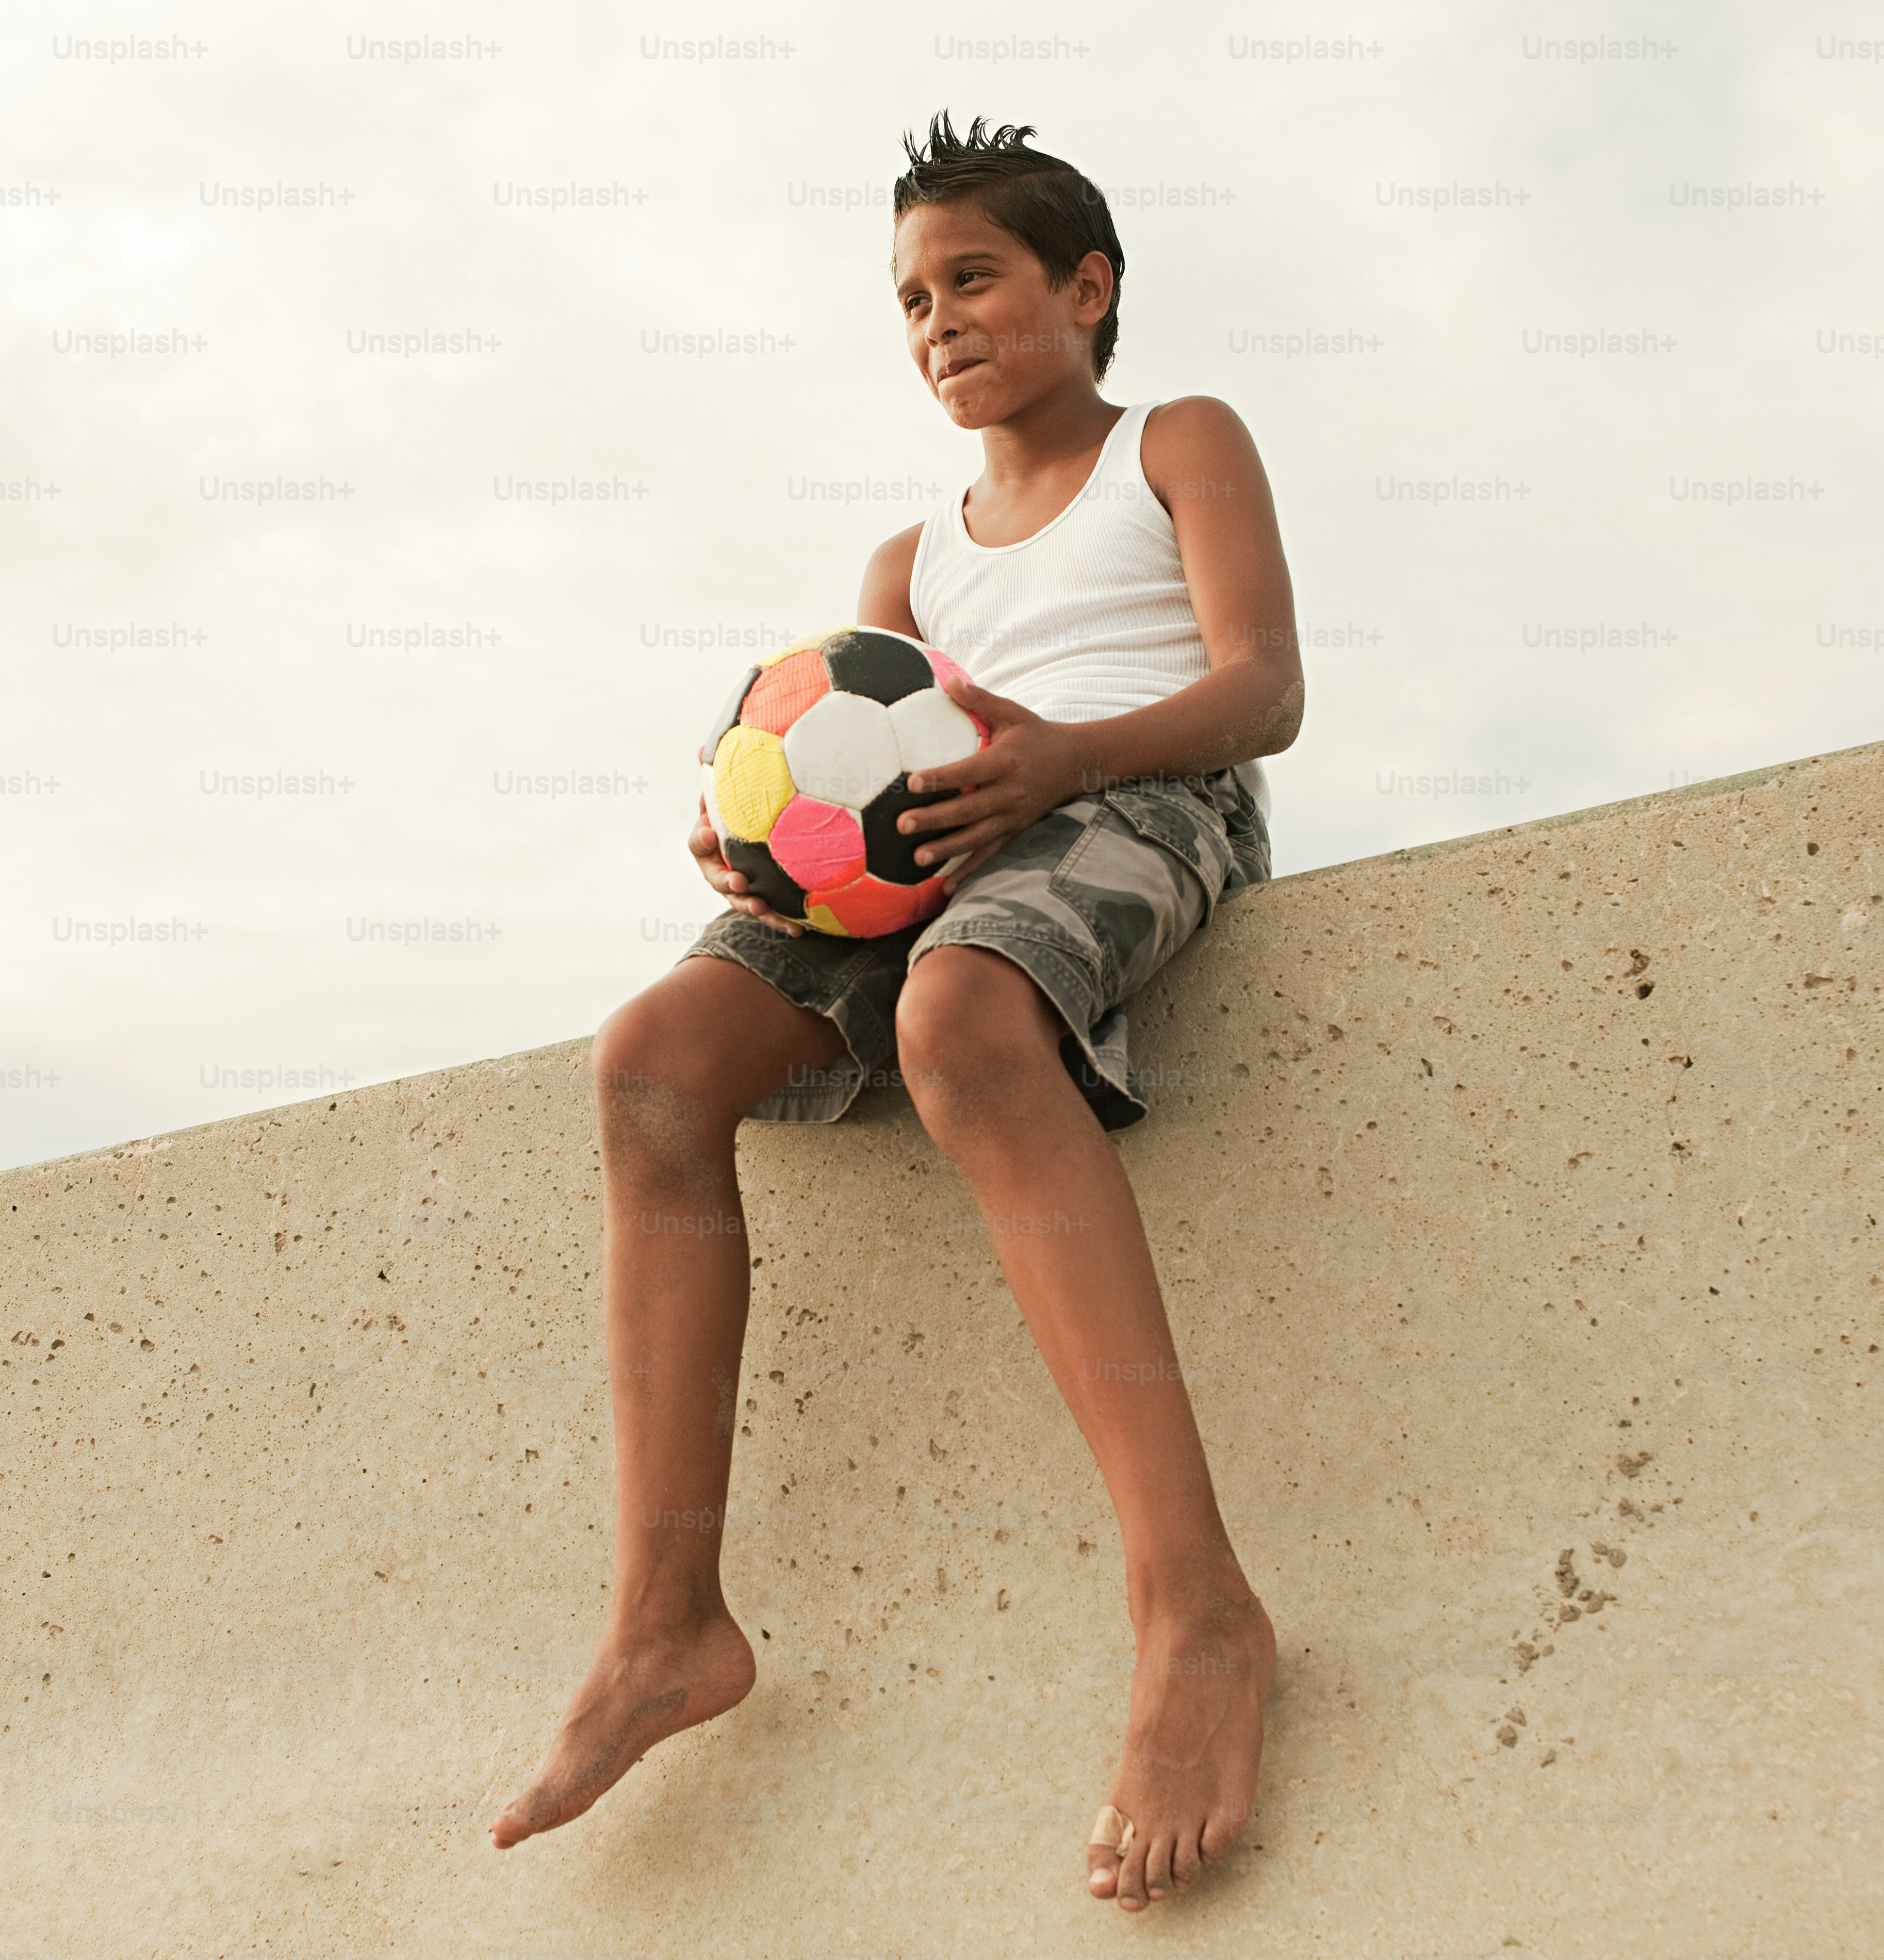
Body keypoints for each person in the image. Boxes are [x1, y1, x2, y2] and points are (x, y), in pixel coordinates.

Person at [492, 112, 1304, 1914]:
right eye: (912, 299)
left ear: (1086, 291)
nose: (939, 321)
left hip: (1143, 798)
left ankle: (1196, 1609)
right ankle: (665, 1624)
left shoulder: (1174, 444)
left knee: (956, 1021)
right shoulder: (903, 569)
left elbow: (1261, 691)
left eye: (978, 280)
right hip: (943, 854)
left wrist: (1060, 763)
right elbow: (857, 771)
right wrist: (759, 844)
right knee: (648, 1063)